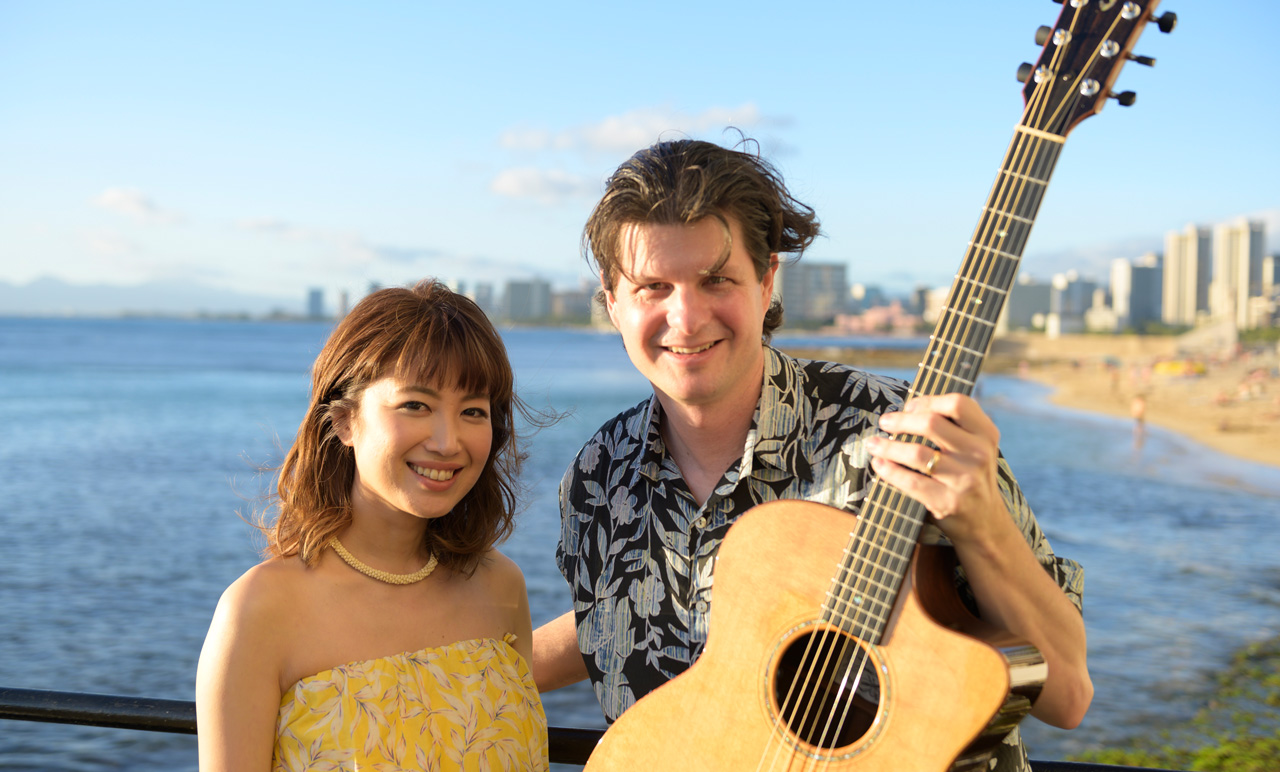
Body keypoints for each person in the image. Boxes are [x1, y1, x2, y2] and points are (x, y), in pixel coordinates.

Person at [532, 138, 1092, 771]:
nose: (684, 318)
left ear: (767, 280)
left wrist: (982, 520)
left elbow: (1065, 695)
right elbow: (613, 620)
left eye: (716, 280)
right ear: (612, 300)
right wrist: (462, 668)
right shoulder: (597, 478)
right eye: (652, 287)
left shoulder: (900, 434)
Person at [197, 281, 548, 771]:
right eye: (416, 405)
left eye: (473, 411)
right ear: (344, 420)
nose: (447, 442)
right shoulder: (259, 612)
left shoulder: (501, 586)